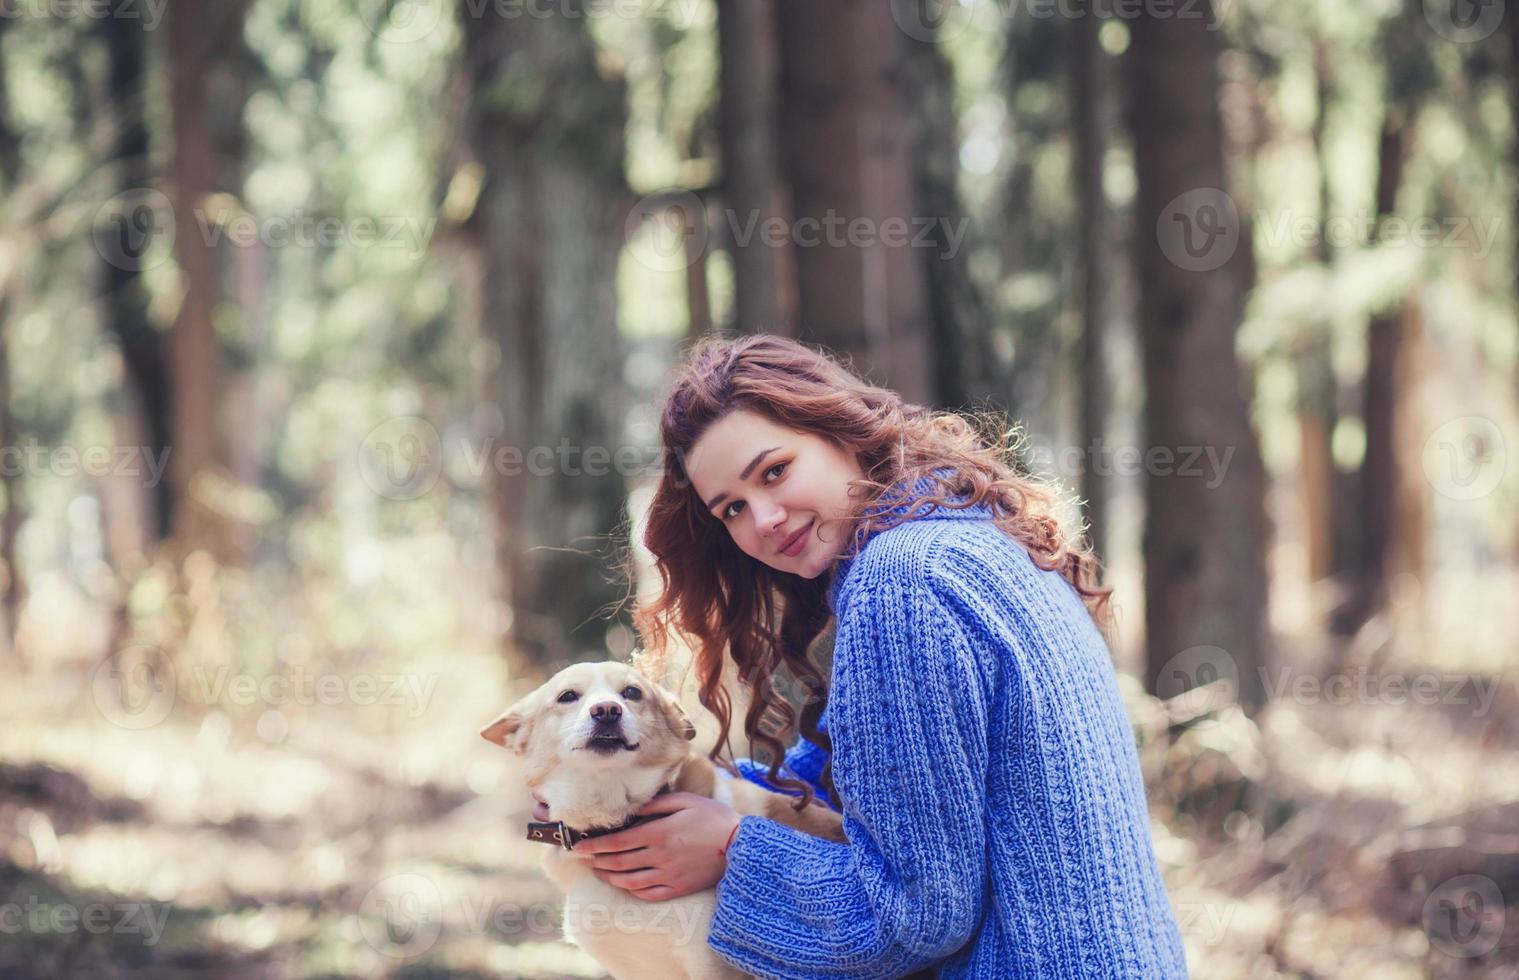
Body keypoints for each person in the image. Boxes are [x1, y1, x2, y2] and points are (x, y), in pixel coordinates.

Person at [544, 335, 1189, 978]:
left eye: (774, 471)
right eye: (732, 508)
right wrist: (647, 790)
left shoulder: (903, 582)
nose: (763, 518)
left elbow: (917, 914)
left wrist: (733, 847)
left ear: (840, 429)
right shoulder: (967, 539)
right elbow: (876, 780)